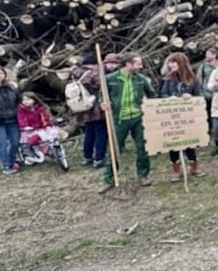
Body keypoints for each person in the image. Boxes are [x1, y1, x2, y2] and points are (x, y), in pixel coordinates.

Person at [99, 53, 157, 193]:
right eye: (137, 63)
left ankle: (143, 175)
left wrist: (149, 107)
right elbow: (102, 95)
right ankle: (108, 179)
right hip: (119, 119)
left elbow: (152, 94)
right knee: (113, 149)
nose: (141, 66)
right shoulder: (110, 79)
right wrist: (103, 103)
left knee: (142, 148)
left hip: (138, 118)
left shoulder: (141, 79)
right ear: (128, 64)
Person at [159, 52, 205, 182]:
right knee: (173, 143)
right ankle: (175, 169)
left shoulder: (192, 79)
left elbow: (199, 97)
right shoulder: (166, 79)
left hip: (187, 116)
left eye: (174, 62)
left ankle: (194, 166)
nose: (171, 64)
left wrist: (191, 98)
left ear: (181, 63)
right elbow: (161, 95)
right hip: (171, 116)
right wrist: (169, 99)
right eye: (170, 62)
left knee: (189, 142)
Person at [72, 55, 107, 167]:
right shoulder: (92, 74)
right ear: (94, 64)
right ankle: (99, 158)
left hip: (82, 107)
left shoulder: (75, 74)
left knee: (89, 133)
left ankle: (87, 157)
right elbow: (99, 87)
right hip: (95, 107)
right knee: (101, 132)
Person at [16, 92, 59, 165]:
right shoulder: (21, 109)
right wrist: (25, 126)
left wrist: (46, 125)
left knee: (49, 138)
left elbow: (44, 118)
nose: (25, 102)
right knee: (30, 140)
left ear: (34, 100)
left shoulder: (40, 108)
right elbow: (21, 119)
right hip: (29, 130)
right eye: (23, 100)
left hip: (40, 128)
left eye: (28, 99)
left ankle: (51, 152)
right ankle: (29, 154)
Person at [196, 47, 218, 126]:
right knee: (207, 111)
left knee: (217, 112)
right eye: (206, 54)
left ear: (214, 55)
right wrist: (201, 91)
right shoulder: (203, 66)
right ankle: (209, 128)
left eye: (208, 54)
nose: (206, 56)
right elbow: (199, 79)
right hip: (206, 92)